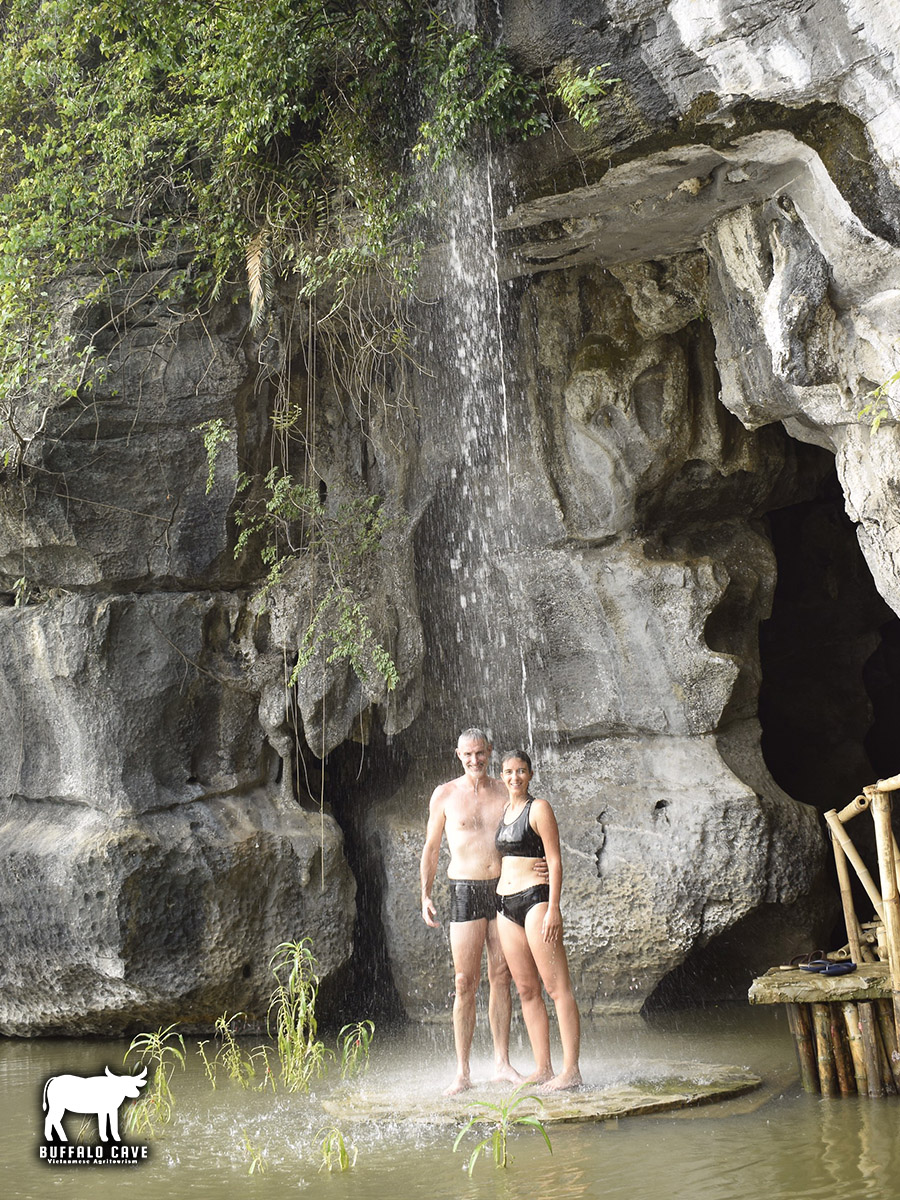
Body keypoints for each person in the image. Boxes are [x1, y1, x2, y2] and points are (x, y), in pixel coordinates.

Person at [421, 728, 535, 1095]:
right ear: (458, 754)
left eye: (481, 754)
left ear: (489, 752)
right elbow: (431, 847)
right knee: (464, 982)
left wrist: (539, 866)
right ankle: (463, 1072)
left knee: (502, 976)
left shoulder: (505, 790)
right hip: (464, 890)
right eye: (468, 754)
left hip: (502, 889)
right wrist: (424, 894)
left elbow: (526, 830)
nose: (475, 760)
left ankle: (502, 1063)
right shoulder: (445, 795)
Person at [495, 749, 582, 1090]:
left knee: (556, 987)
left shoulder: (539, 808)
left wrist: (554, 907)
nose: (514, 778)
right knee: (527, 989)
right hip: (505, 905)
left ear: (530, 774)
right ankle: (543, 1067)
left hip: (535, 900)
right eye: (508, 772)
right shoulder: (503, 811)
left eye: (520, 771)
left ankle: (571, 1070)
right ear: (501, 776)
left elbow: (555, 861)